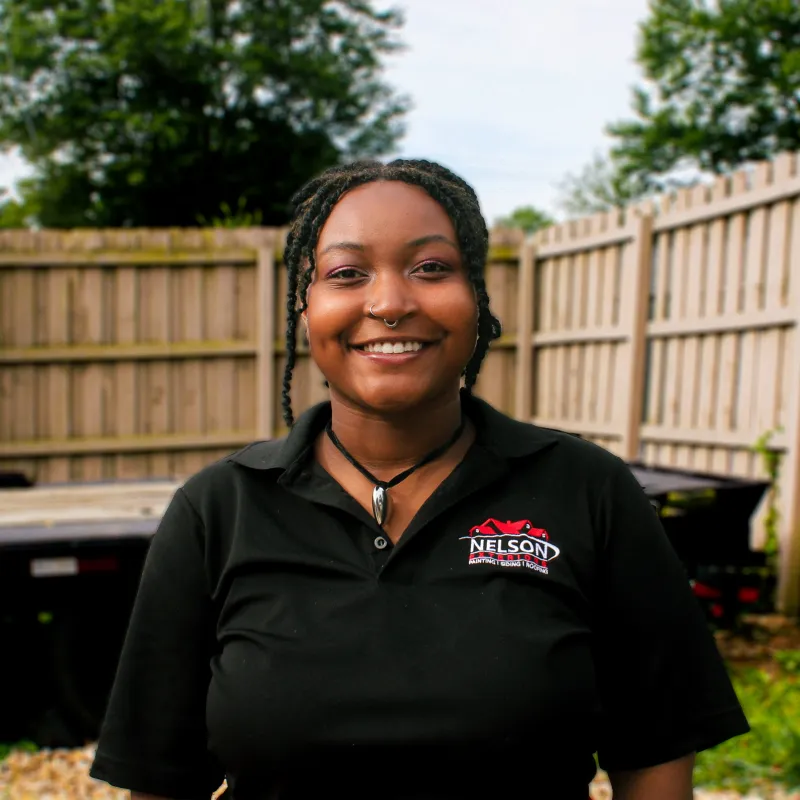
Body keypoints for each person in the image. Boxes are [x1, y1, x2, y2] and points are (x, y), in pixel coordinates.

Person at [90, 159, 749, 800]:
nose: (390, 303)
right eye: (347, 273)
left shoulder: (589, 492)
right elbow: (160, 780)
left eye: (431, 268)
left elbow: (656, 754)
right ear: (306, 308)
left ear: (477, 300)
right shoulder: (218, 511)